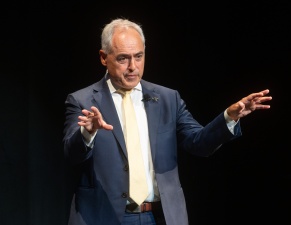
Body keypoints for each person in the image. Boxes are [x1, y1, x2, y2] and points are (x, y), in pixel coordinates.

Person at [63, 18, 272, 225]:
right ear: (103, 57)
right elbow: (71, 154)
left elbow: (198, 143)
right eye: (123, 59)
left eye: (139, 56)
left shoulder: (167, 99)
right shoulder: (83, 101)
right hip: (103, 217)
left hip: (159, 216)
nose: (132, 67)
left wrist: (229, 116)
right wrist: (87, 133)